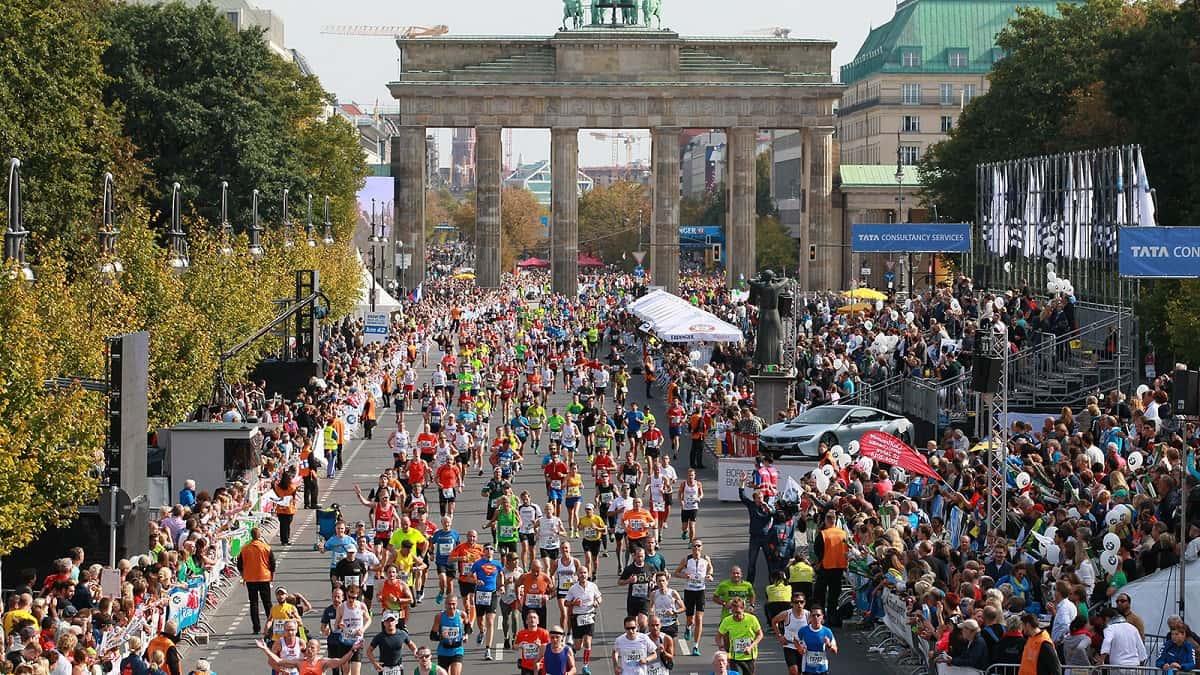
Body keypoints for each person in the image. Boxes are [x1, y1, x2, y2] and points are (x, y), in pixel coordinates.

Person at [810, 512, 847, 628]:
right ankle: (832, 616)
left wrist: (818, 562)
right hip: (839, 567)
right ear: (835, 521)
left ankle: (821, 616)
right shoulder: (843, 534)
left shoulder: (823, 534)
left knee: (820, 593)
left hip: (825, 567)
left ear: (826, 521)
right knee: (834, 594)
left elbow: (818, 550)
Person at [237, 527, 276, 635]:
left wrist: (243, 575)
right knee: (267, 603)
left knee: (253, 603)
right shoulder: (266, 548)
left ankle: (256, 627)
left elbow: (239, 565)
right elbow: (272, 564)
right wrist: (272, 576)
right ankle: (271, 626)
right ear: (259, 536)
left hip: (250, 578)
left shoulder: (245, 548)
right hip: (264, 577)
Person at [737, 478, 775, 585]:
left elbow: (773, 514)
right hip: (754, 538)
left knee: (770, 562)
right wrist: (742, 483)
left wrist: (766, 506)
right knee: (752, 563)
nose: (760, 499)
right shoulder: (752, 505)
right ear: (754, 499)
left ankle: (772, 584)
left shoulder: (767, 507)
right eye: (758, 498)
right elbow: (742, 497)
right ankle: (750, 585)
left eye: (762, 497)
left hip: (766, 537)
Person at [565, 566, 602, 675]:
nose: (583, 575)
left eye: (585, 573)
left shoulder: (592, 586)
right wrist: (574, 603)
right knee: (577, 645)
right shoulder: (573, 588)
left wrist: (597, 602)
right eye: (581, 573)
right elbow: (566, 603)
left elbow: (599, 597)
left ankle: (585, 666)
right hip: (577, 617)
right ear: (577, 574)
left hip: (589, 616)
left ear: (587, 574)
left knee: (587, 642)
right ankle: (569, 653)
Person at [256, 638, 361, 674]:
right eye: (308, 647)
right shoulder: (300, 662)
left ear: (318, 650)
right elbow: (279, 661)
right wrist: (265, 649)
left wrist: (353, 650)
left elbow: (341, 661)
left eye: (312, 648)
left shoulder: (323, 662)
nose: (309, 650)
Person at [716, 598, 763, 675]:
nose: (736, 615)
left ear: (743, 609)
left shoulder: (751, 619)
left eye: (738, 612)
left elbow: (760, 634)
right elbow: (718, 636)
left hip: (749, 655)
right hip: (734, 655)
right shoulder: (727, 620)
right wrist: (721, 647)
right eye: (733, 612)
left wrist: (751, 646)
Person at [771, 593, 809, 675]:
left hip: (803, 647)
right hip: (789, 645)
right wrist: (780, 636)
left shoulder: (808, 615)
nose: (799, 604)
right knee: (793, 671)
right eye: (796, 602)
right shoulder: (787, 614)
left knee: (802, 671)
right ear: (792, 603)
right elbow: (774, 621)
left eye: (801, 602)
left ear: (804, 603)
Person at [795, 604, 837, 675]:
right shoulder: (803, 631)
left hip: (823, 670)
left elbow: (835, 651)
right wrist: (800, 649)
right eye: (813, 615)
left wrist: (829, 645)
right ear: (810, 617)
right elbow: (795, 641)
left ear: (822, 617)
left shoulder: (827, 631)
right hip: (807, 670)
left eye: (818, 615)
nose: (816, 617)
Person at [430, 595, 466, 675]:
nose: (451, 606)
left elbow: (468, 627)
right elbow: (432, 636)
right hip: (443, 651)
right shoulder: (439, 616)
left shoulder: (462, 615)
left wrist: (465, 635)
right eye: (449, 604)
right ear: (445, 604)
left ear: (457, 604)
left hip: (457, 650)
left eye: (453, 604)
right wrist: (442, 637)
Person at [515, 611, 552, 675]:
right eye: (530, 618)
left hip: (541, 665)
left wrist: (541, 646)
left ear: (538, 621)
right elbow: (514, 646)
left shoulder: (544, 633)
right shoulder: (521, 633)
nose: (532, 619)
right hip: (526, 666)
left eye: (534, 617)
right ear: (526, 621)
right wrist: (519, 645)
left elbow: (550, 648)